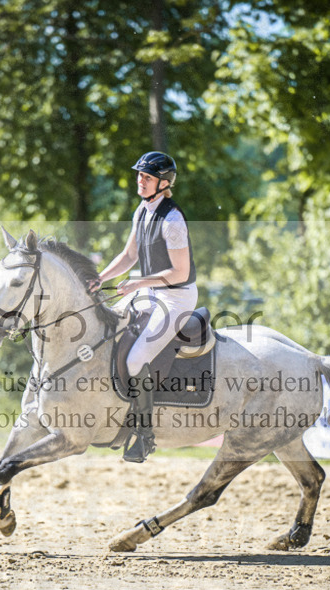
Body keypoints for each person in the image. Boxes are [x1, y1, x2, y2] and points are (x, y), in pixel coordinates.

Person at [88, 151, 198, 463]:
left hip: (177, 297)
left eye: (147, 177)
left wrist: (136, 284)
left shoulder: (172, 219)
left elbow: (180, 272)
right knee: (107, 328)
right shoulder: (142, 210)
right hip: (150, 288)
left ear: (164, 183)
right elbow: (128, 256)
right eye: (139, 175)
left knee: (136, 360)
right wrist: (99, 277)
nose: (140, 180)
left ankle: (144, 434)